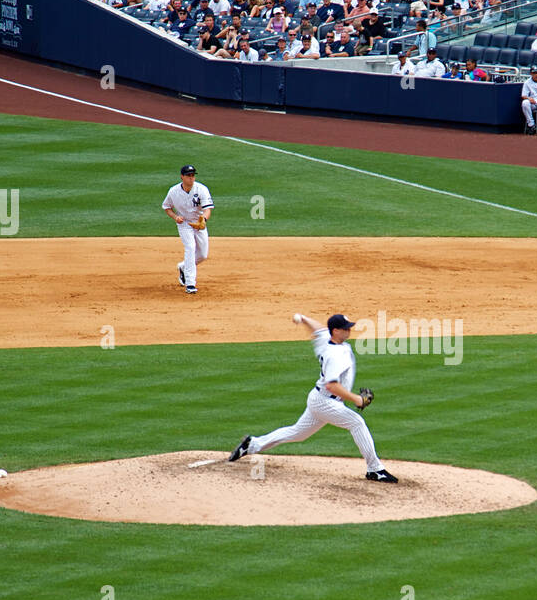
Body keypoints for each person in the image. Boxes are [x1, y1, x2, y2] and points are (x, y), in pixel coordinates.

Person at [228, 313, 397, 483]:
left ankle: (253, 444)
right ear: (336, 331)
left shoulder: (328, 340)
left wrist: (303, 319)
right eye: (345, 328)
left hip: (318, 399)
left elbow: (319, 329)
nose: (349, 330)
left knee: (298, 432)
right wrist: (356, 399)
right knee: (357, 423)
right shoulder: (335, 355)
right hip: (326, 402)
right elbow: (332, 385)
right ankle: (375, 469)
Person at [162, 164, 213, 294]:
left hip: (198, 223)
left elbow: (208, 209)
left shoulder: (201, 189)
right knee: (190, 248)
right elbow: (166, 207)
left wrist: (204, 220)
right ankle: (190, 283)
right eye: (188, 175)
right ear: (182, 177)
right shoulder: (173, 191)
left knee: (203, 255)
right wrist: (175, 217)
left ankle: (183, 267)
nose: (191, 178)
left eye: (193, 175)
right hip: (184, 224)